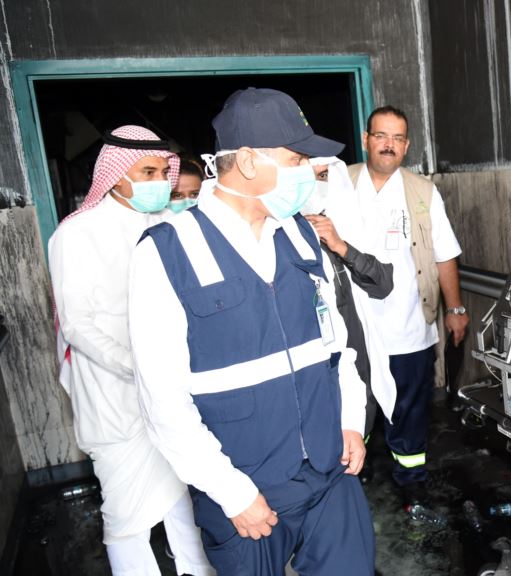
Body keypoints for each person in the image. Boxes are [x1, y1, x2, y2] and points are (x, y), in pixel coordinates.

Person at [128, 87, 375, 575]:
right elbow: (162, 403)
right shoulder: (166, 253)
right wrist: (232, 494)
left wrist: (351, 418)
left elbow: (338, 349)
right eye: (295, 158)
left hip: (330, 476)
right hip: (247, 497)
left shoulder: (303, 236)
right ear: (245, 161)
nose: (307, 171)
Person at [48, 125, 213, 576]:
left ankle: (195, 570)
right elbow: (78, 324)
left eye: (164, 171)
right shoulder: (77, 234)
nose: (160, 180)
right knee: (127, 517)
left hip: (170, 392)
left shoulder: (164, 225)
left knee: (182, 494)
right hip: (113, 398)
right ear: (116, 175)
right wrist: (138, 367)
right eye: (148, 171)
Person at [341, 105, 467, 512]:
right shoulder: (339, 184)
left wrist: (456, 309)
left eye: (397, 138)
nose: (388, 145)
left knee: (410, 412)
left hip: (409, 327)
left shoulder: (421, 192)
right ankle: (352, 475)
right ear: (366, 139)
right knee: (354, 408)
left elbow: (445, 255)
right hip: (354, 331)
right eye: (381, 136)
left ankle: (411, 481)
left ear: (407, 145)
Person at [303, 157, 397, 456]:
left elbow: (382, 283)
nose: (322, 185)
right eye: (314, 177)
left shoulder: (344, 221)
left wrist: (340, 245)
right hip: (312, 368)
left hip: (357, 360)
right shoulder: (276, 232)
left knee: (358, 430)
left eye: (325, 177)